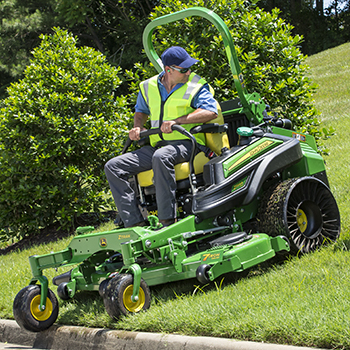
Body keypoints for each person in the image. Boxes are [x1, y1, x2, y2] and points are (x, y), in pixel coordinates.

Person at [105, 46, 218, 228]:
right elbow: (141, 111)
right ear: (168, 70)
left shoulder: (195, 85)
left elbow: (210, 112)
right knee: (113, 166)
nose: (188, 72)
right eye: (183, 70)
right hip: (157, 145)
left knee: (161, 156)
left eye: (189, 68)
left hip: (187, 143)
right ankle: (135, 224)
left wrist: (177, 121)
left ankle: (167, 220)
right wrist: (137, 127)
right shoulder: (149, 87)